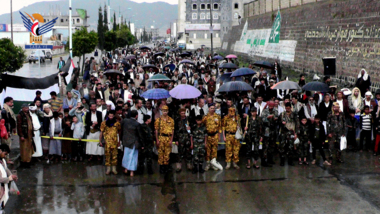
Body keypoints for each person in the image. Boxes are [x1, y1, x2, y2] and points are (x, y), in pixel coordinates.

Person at [154, 105, 175, 174]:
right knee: (160, 153)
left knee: (167, 153)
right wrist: (157, 140)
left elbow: (172, 131)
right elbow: (156, 131)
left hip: (168, 138)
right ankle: (161, 167)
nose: (165, 112)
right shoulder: (158, 120)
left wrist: (171, 140)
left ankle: (166, 167)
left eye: (166, 111)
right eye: (163, 111)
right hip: (161, 137)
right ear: (161, 111)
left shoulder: (171, 120)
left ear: (168, 111)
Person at [100, 110, 121, 175]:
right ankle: (108, 169)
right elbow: (101, 132)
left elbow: (119, 132)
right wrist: (100, 141)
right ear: (107, 116)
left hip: (114, 142)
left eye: (112, 116)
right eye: (110, 116)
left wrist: (119, 140)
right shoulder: (104, 123)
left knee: (115, 155)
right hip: (107, 142)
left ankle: (114, 169)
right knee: (107, 155)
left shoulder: (117, 123)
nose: (111, 117)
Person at [121, 110, 141, 177]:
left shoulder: (125, 121)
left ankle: (126, 169)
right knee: (133, 157)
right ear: (136, 116)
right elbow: (139, 135)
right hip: (134, 142)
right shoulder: (137, 124)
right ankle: (131, 172)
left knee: (126, 156)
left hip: (126, 141)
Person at [202, 104, 222, 171]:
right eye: (211, 108)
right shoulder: (205, 117)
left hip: (215, 135)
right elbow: (203, 126)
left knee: (214, 150)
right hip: (208, 136)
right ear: (209, 109)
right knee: (208, 151)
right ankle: (208, 164)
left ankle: (214, 164)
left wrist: (219, 136)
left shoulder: (217, 117)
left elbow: (219, 127)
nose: (213, 109)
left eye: (214, 108)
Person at [0, 144, 18, 210]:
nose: (5, 156)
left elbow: (6, 169)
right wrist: (9, 179)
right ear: (0, 151)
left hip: (3, 188)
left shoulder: (2, 160)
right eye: (5, 154)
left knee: (2, 204)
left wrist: (11, 175)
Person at [260, 101, 278, 167]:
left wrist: (274, 118)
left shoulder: (275, 111)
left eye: (272, 106)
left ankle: (270, 159)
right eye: (270, 106)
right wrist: (267, 118)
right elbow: (262, 119)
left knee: (272, 146)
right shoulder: (265, 111)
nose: (271, 107)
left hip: (273, 130)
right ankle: (264, 160)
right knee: (265, 146)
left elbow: (277, 117)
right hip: (266, 130)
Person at [1, 97, 17, 164]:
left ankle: (7, 158)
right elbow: (6, 121)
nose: (12, 103)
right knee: (6, 144)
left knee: (8, 144)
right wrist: (7, 131)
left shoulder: (8, 109)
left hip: (8, 129)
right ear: (7, 102)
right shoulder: (4, 109)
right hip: (5, 130)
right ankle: (6, 159)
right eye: (11, 102)